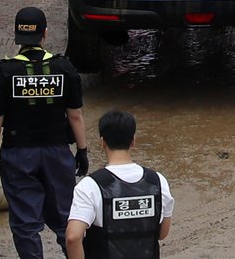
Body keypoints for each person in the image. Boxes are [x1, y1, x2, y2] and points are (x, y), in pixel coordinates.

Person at [0, 7, 88, 259]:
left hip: (18, 155)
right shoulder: (64, 68)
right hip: (57, 153)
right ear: (45, 33)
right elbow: (75, 115)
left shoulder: (5, 72)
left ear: (17, 36)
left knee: (25, 223)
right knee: (65, 218)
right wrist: (82, 151)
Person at [65, 110, 173, 259]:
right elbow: (162, 234)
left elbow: (73, 237)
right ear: (133, 141)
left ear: (102, 142)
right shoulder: (157, 181)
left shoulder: (90, 186)